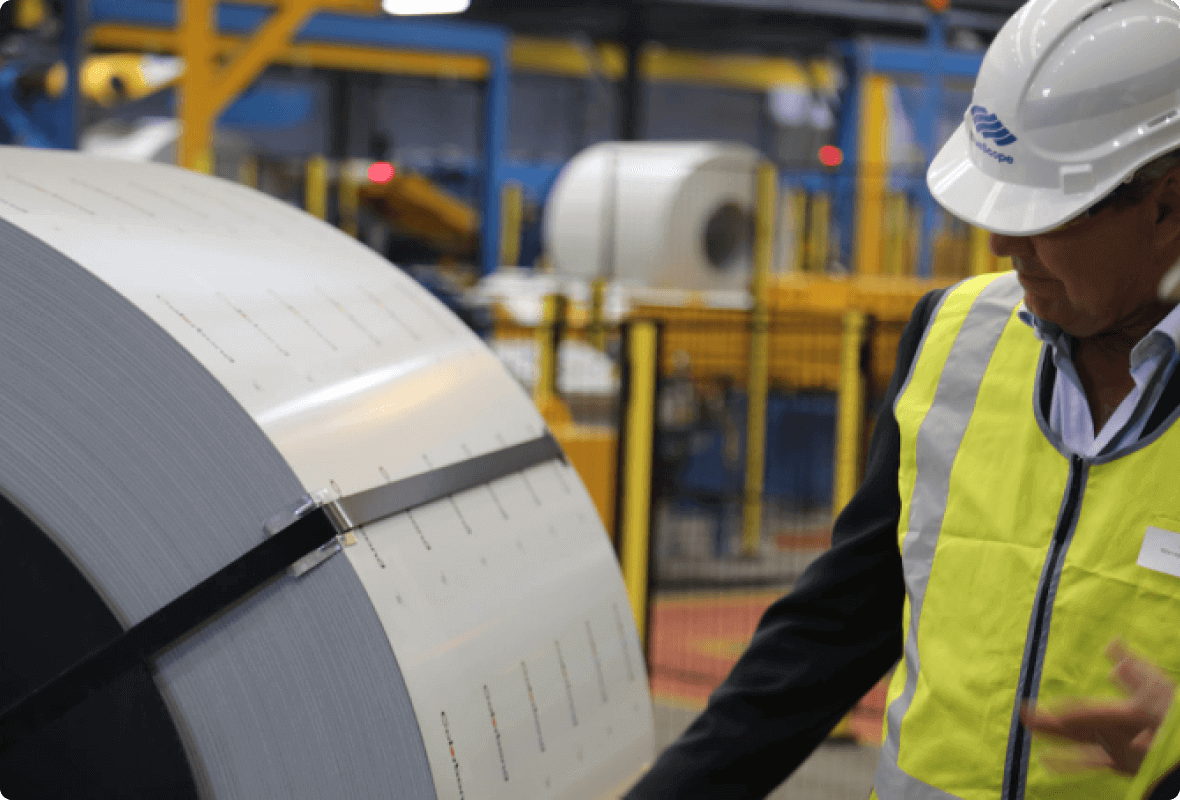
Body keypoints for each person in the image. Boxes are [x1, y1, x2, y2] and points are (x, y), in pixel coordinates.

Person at [623, 0, 1180, 797]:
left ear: (1168, 202)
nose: (1000, 246)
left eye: (1042, 215)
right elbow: (836, 626)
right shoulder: (956, 338)